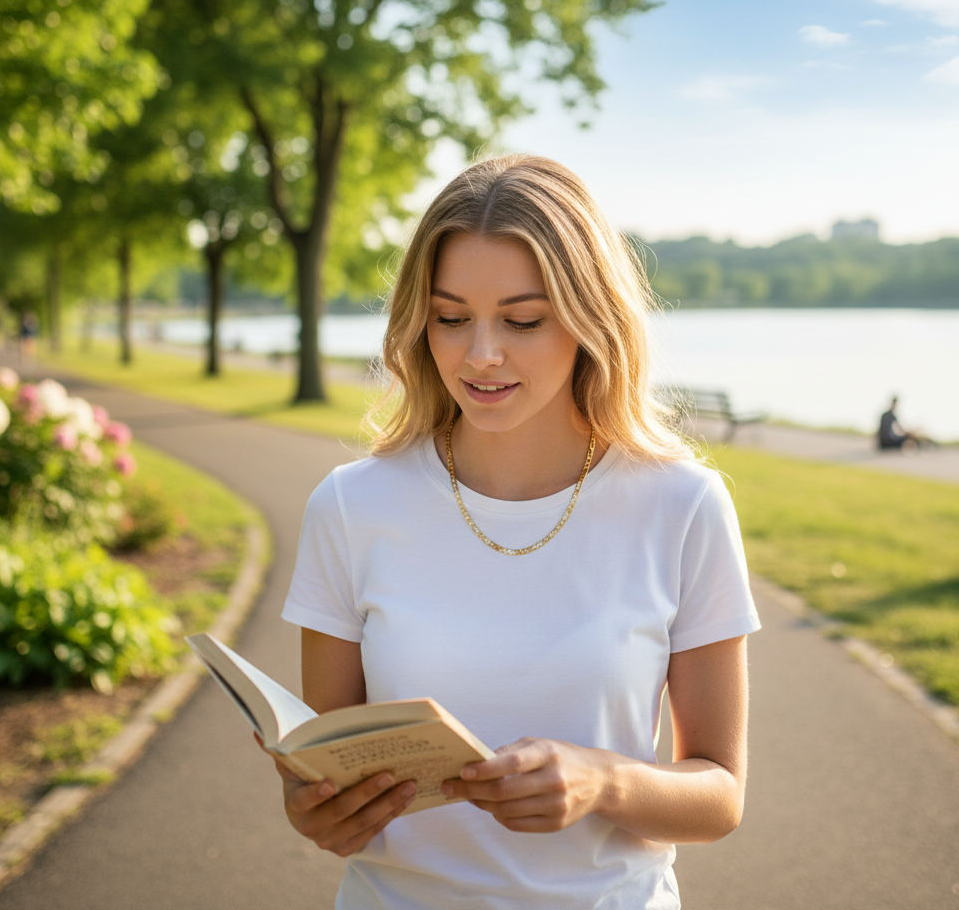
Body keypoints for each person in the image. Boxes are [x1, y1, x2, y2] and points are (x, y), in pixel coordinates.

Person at [271, 154, 761, 909]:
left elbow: (720, 793)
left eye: (523, 320)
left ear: (588, 317)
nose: (481, 354)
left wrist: (603, 781)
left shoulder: (682, 505)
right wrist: (319, 811)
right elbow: (338, 792)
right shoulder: (351, 505)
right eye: (451, 317)